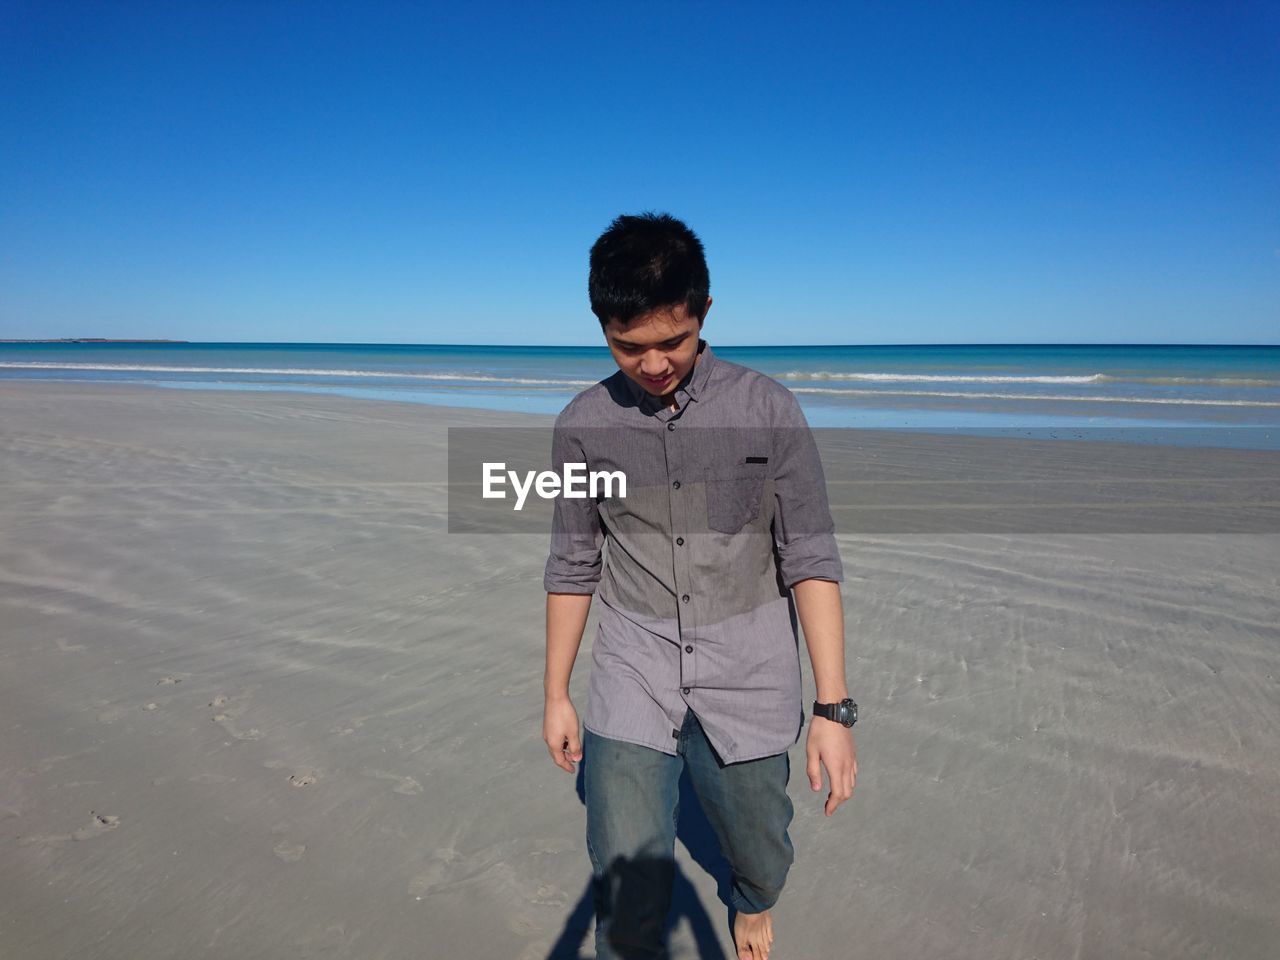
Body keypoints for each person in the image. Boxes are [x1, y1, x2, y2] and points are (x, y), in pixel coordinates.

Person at [542, 212, 857, 960]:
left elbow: (809, 555)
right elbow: (572, 563)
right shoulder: (581, 426)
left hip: (747, 669)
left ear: (704, 313)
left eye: (671, 342)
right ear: (601, 328)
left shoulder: (768, 410)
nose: (652, 365)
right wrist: (557, 693)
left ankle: (750, 901)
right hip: (634, 666)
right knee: (624, 881)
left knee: (762, 848)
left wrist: (833, 708)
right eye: (628, 347)